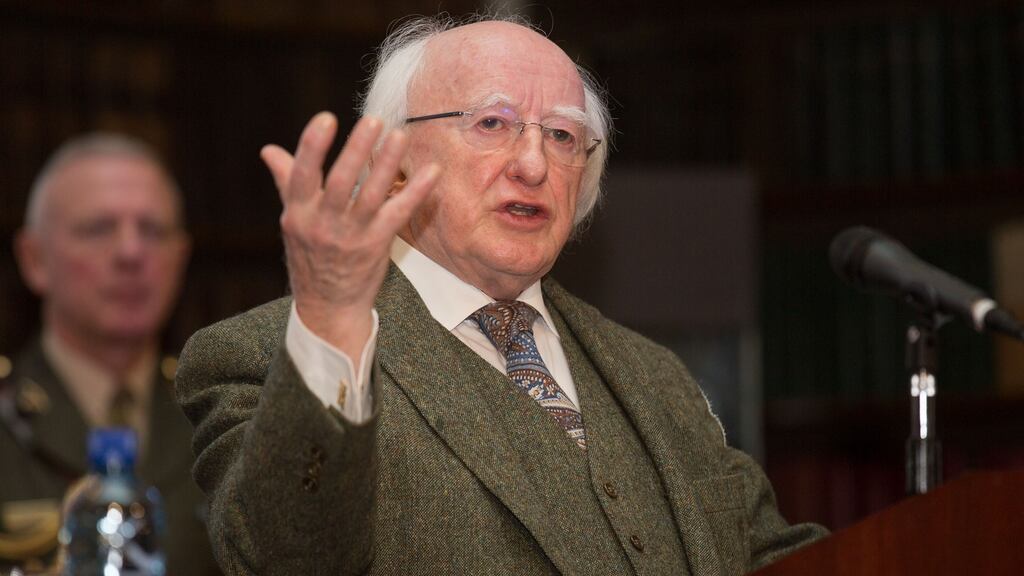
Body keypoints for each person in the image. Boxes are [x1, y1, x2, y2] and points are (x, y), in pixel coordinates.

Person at [176, 15, 828, 575]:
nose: (534, 165)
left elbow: (777, 558)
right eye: (492, 123)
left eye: (562, 136)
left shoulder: (656, 378)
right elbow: (290, 559)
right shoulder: (258, 357)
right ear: (393, 161)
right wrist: (333, 321)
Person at [0, 133, 220, 575]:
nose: (131, 252)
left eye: (153, 230)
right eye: (98, 228)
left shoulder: (220, 414)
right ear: (34, 258)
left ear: (180, 259)